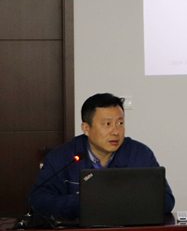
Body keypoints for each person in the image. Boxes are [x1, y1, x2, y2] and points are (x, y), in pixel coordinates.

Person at [29, 93, 175, 219]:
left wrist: (112, 200)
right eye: (107, 124)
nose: (115, 131)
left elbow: (166, 200)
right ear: (86, 128)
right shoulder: (63, 157)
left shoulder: (139, 154)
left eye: (120, 123)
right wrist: (85, 202)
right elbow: (37, 200)